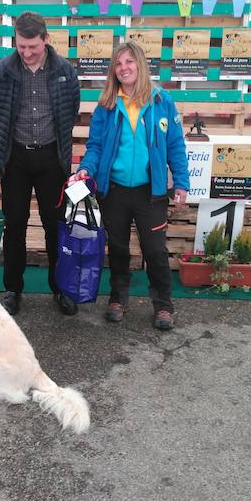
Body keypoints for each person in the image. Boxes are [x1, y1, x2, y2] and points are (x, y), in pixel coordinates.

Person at [72, 41, 189, 331]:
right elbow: (96, 146)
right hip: (115, 191)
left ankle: (163, 305)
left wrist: (182, 182)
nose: (123, 68)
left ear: (140, 64)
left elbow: (175, 144)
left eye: (129, 62)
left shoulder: (162, 101)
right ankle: (118, 298)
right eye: (118, 63)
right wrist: (85, 169)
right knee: (119, 247)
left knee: (155, 251)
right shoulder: (106, 105)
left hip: (152, 192)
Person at [0, 11, 81, 317]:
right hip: (15, 159)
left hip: (53, 158)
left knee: (56, 225)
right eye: (21, 46)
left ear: (46, 40)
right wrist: (7, 140)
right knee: (15, 225)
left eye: (32, 47)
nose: (26, 52)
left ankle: (60, 288)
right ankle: (13, 289)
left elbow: (71, 109)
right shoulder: (2, 71)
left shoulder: (65, 70)